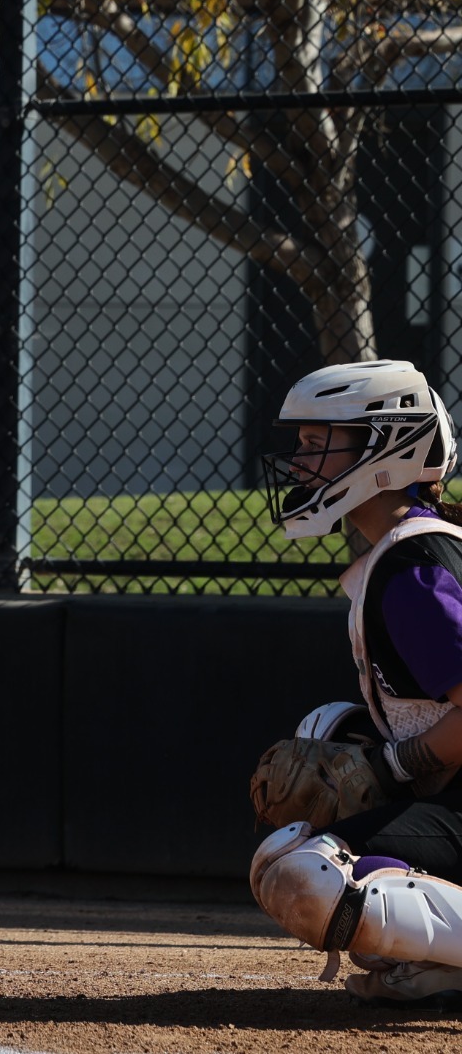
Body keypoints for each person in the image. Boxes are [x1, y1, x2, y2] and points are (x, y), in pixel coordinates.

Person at [250, 358, 462, 1007]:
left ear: (383, 449)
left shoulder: (413, 567)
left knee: (310, 874)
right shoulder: (402, 552)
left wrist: (390, 765)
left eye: (318, 444)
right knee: (328, 729)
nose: (300, 462)